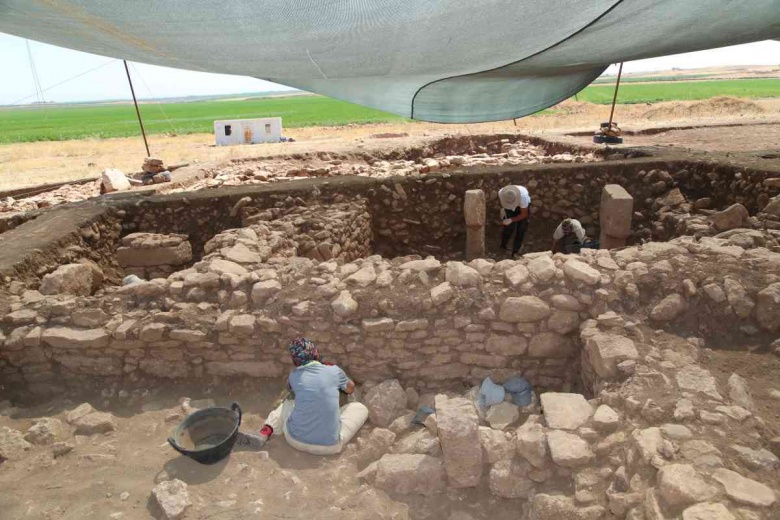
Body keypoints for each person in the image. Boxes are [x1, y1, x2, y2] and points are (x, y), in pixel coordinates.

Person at [238, 338, 368, 455]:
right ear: (316, 353)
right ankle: (329, 424)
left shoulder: (294, 375)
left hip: (295, 440)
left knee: (287, 403)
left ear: (295, 361)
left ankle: (264, 432)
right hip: (330, 447)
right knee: (360, 408)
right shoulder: (333, 370)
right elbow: (350, 389)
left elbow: (289, 389)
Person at [498, 184, 531, 257]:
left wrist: (512, 219)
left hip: (521, 208)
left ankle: (515, 251)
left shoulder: (523, 197)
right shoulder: (501, 193)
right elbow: (503, 204)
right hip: (508, 207)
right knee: (508, 227)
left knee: (521, 229)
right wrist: (503, 211)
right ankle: (503, 245)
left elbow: (524, 214)